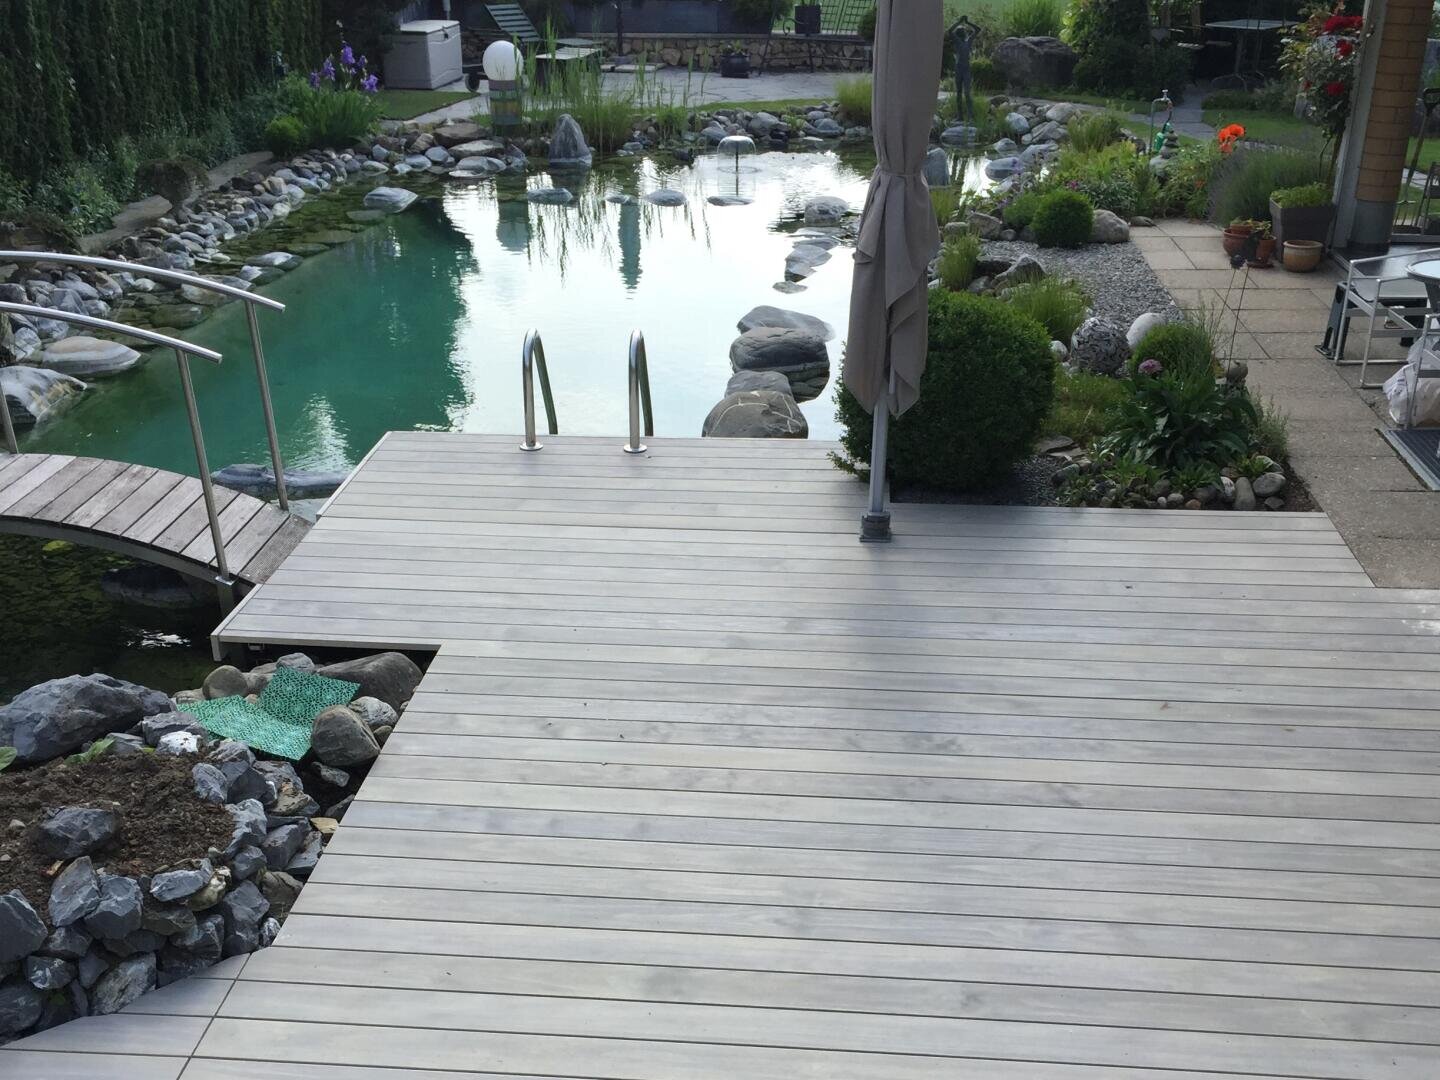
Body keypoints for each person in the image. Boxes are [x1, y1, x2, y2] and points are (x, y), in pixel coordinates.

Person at [947, 15, 979, 123]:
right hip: (959, 69)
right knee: (959, 93)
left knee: (967, 93)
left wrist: (967, 22)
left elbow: (978, 30)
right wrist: (959, 22)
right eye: (962, 32)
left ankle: (970, 116)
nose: (964, 33)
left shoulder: (968, 41)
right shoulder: (957, 41)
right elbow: (950, 31)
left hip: (966, 69)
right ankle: (960, 116)